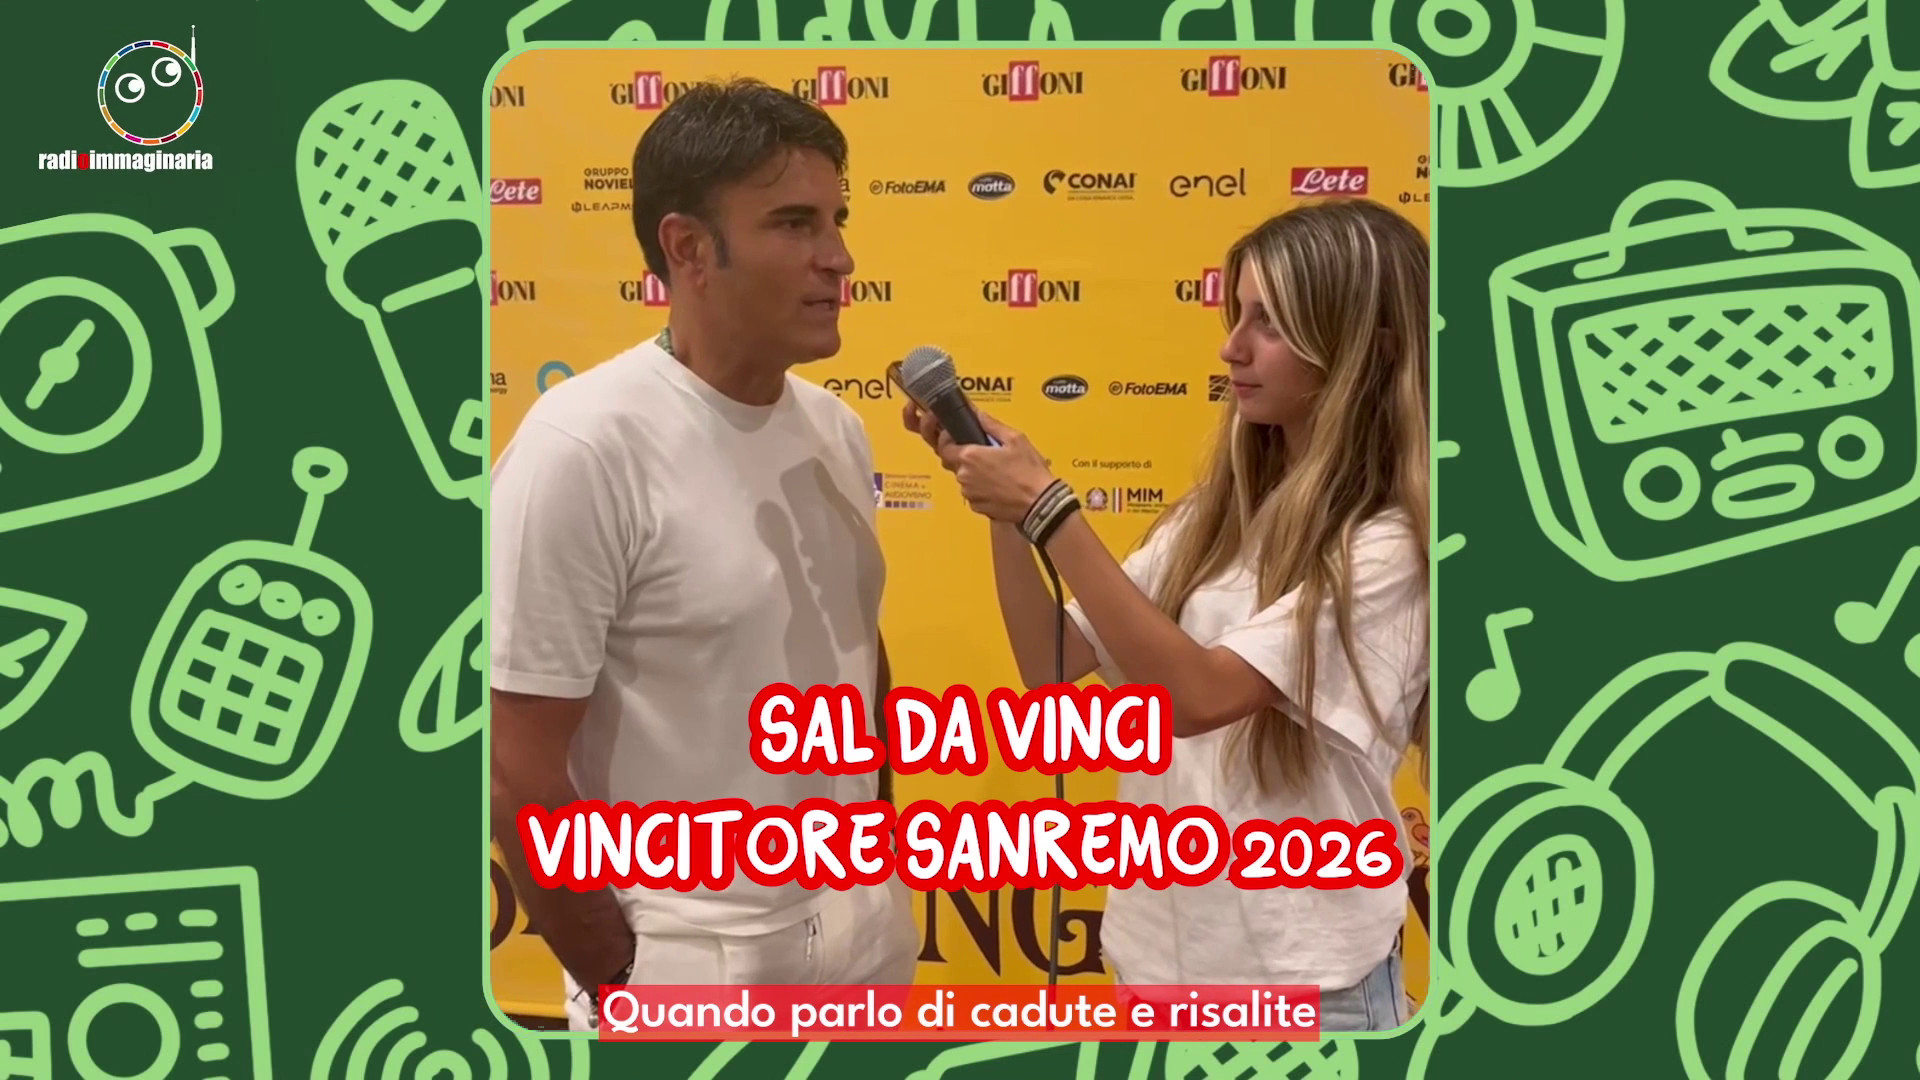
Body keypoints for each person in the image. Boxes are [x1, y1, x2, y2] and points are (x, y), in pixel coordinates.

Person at [904, 198, 1430, 1031]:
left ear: (1372, 348)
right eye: (1237, 314)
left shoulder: (1390, 544)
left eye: (1270, 323)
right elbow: (1050, 664)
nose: (1232, 347)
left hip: (1305, 995)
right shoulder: (1212, 520)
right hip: (1153, 971)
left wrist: (1046, 506)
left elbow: (1197, 696)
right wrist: (1003, 507)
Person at [489, 77, 917, 1031]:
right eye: (795, 224)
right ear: (687, 247)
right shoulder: (583, 445)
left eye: (837, 220)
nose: (839, 257)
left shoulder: (837, 429)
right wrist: (622, 976)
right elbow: (517, 771)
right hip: (691, 951)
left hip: (867, 923)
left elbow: (857, 657)